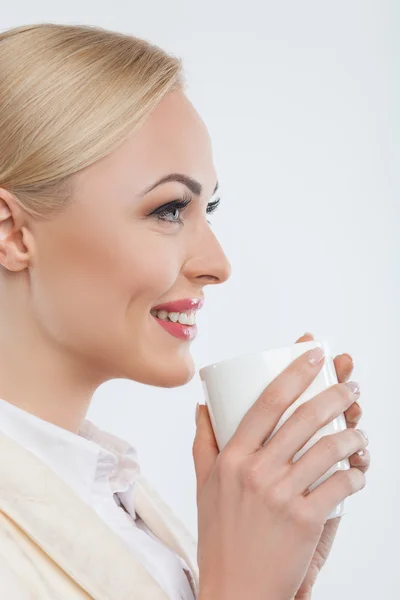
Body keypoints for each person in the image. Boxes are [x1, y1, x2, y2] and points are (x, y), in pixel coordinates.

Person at [0, 22, 370, 600]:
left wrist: (275, 579)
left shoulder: (116, 494)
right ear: (12, 232)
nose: (218, 264)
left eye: (208, 208)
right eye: (171, 209)